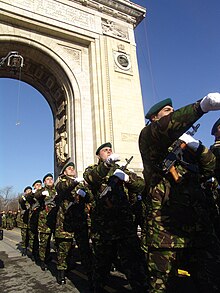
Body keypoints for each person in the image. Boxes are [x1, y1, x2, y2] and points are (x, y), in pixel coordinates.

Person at [139, 93, 220, 292]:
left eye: (174, 112)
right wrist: (200, 107)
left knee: (210, 282)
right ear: (154, 119)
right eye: (167, 112)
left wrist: (198, 148)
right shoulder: (148, 139)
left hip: (198, 229)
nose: (172, 114)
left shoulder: (187, 148)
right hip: (165, 235)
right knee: (162, 287)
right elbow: (166, 127)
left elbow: (211, 168)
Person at [83, 142, 149, 293]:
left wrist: (127, 179)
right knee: (100, 267)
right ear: (99, 155)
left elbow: (140, 185)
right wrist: (106, 165)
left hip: (124, 226)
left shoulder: (122, 169)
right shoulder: (93, 170)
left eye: (110, 150)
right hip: (103, 228)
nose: (108, 151)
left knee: (134, 264)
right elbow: (91, 178)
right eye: (105, 150)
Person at [55, 161, 93, 287]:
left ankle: (90, 273)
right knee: (64, 249)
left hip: (81, 221)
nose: (72, 169)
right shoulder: (62, 183)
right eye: (69, 168)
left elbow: (90, 199)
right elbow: (63, 188)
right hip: (66, 221)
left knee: (85, 249)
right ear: (64, 172)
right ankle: (61, 271)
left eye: (73, 168)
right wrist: (75, 182)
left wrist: (86, 194)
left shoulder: (80, 185)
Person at [34, 173, 57, 271]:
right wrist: (42, 194)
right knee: (44, 242)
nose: (50, 180)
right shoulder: (42, 190)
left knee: (57, 242)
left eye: (51, 179)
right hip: (45, 220)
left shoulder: (56, 190)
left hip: (56, 220)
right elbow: (36, 195)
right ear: (44, 182)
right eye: (48, 179)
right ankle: (43, 260)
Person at [18, 186, 32, 256]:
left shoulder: (32, 198)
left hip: (31, 221)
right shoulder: (23, 199)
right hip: (23, 221)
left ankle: (30, 249)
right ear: (25, 192)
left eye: (30, 190)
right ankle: (24, 249)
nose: (29, 191)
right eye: (27, 190)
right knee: (24, 236)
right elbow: (21, 203)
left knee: (30, 236)